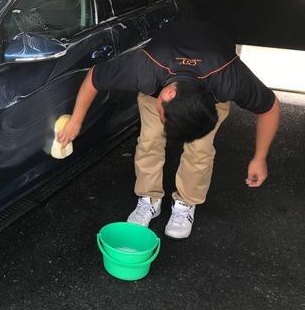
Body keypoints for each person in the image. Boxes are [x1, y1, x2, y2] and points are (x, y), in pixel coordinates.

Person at [57, 21, 280, 239]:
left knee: (199, 148)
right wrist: (76, 121)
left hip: (209, 71)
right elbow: (95, 77)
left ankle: (186, 203)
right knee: (150, 139)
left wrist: (260, 158)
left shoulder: (230, 78)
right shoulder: (143, 67)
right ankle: (149, 199)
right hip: (162, 74)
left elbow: (270, 108)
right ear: (167, 94)